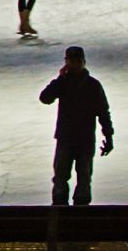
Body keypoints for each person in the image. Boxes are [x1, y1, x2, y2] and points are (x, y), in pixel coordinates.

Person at [40, 45, 115, 206]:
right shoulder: (63, 83)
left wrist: (109, 136)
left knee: (83, 177)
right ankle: (61, 210)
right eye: (71, 61)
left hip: (83, 139)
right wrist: (59, 79)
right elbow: (45, 98)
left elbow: (103, 112)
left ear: (83, 62)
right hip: (67, 138)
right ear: (66, 63)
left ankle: (78, 212)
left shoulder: (93, 86)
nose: (75, 64)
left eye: (77, 61)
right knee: (62, 177)